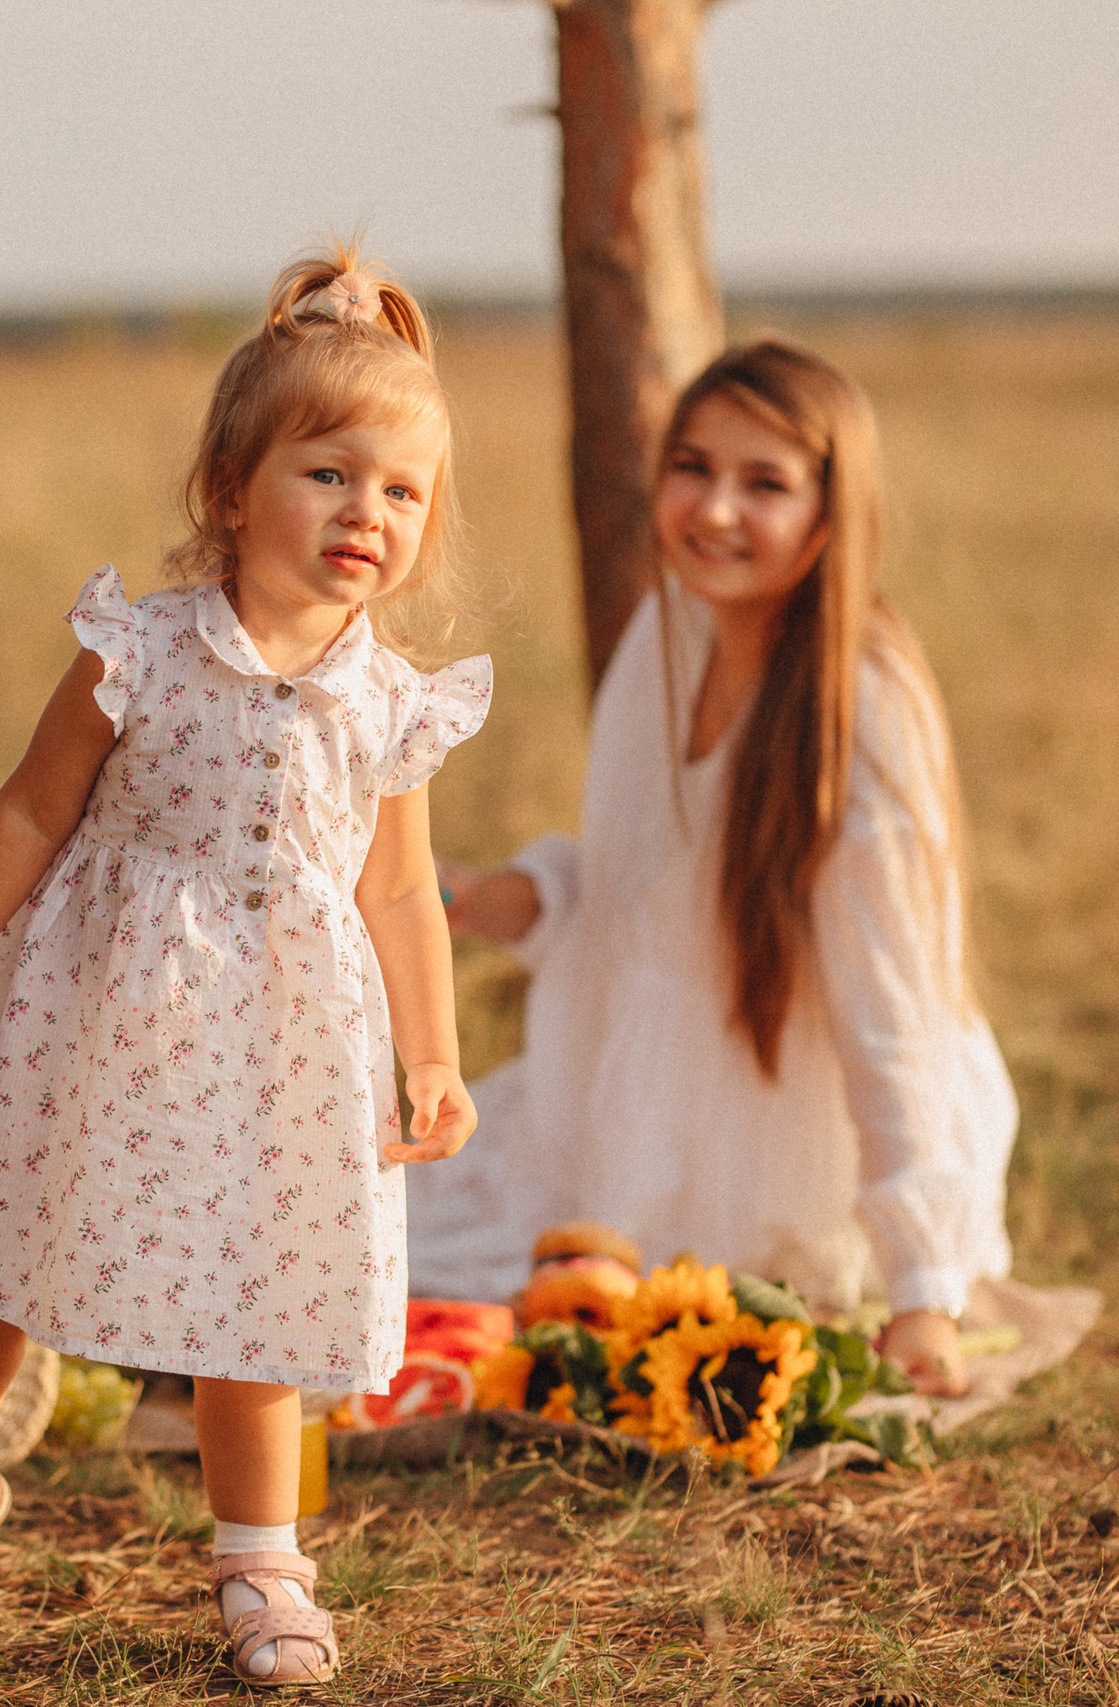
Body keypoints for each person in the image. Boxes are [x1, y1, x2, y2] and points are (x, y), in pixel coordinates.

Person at [0, 249, 490, 1685]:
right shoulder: (145, 647)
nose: (367, 510)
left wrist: (430, 1051)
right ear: (233, 487)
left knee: (258, 1297)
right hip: (97, 1005)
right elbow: (35, 806)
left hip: (288, 1034)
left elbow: (402, 885)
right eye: (328, 473)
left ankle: (262, 1557)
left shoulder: (388, 698)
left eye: (402, 490)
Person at [412, 337, 1014, 1399]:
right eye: (692, 467)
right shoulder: (667, 628)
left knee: (482, 1282)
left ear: (833, 514)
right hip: (638, 1096)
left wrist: (924, 1291)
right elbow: (645, 888)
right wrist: (485, 895)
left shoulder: (861, 708)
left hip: (789, 1138)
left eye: (765, 484)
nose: (715, 511)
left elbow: (896, 1015)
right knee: (351, 1217)